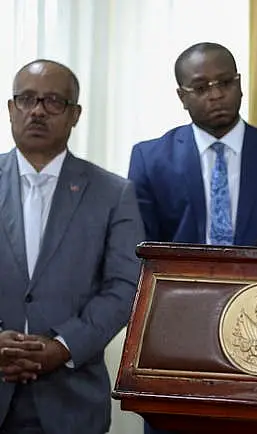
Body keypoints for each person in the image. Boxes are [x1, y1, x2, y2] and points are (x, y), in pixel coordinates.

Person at [0, 60, 144, 434]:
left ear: (75, 114)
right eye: (26, 99)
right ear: (10, 108)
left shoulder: (114, 194)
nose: (37, 110)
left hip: (72, 400)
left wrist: (64, 346)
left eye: (53, 101)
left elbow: (125, 286)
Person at [128, 42, 257, 247]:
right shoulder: (150, 159)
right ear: (182, 97)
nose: (216, 95)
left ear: (240, 84)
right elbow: (139, 243)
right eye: (200, 88)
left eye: (225, 83)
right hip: (178, 277)